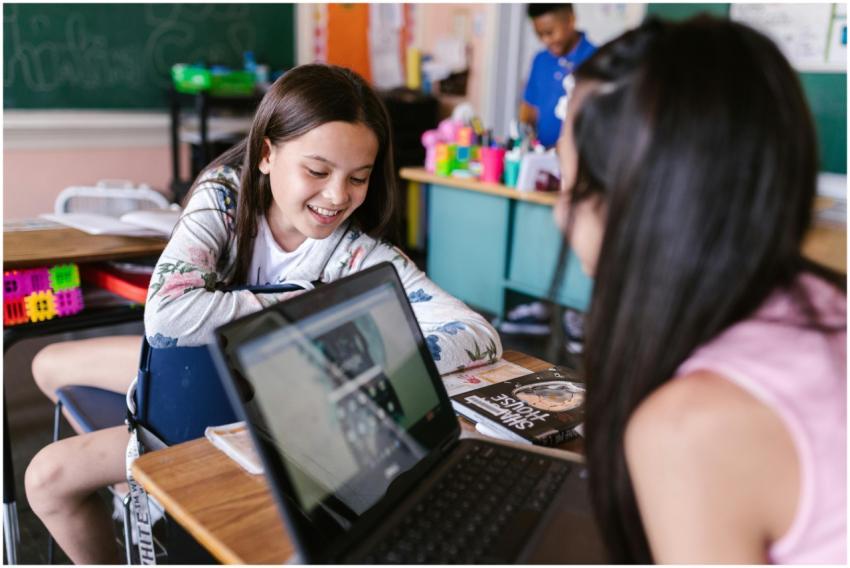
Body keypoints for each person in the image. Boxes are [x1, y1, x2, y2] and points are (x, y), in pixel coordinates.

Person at [25, 64, 502, 564]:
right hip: (195, 373)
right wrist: (303, 306)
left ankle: (156, 488)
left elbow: (477, 334)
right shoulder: (224, 198)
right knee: (45, 364)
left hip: (244, 410)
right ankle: (142, 495)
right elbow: (166, 317)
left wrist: (372, 345)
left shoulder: (357, 254)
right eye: (317, 171)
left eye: (358, 178)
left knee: (45, 478)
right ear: (268, 153)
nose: (338, 196)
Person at [553, 17, 845, 564]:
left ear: (645, 204)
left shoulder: (692, 429)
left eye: (570, 182)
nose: (558, 213)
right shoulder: (823, 303)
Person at [519, 3, 596, 149]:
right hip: (540, 153)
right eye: (539, 34)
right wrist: (525, 138)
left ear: (570, 20)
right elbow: (529, 108)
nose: (545, 40)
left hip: (578, 157)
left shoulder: (595, 60)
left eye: (550, 32)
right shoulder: (540, 60)